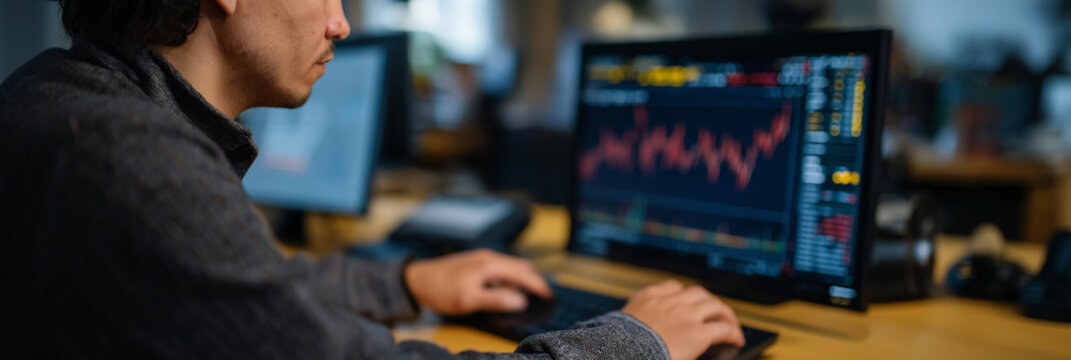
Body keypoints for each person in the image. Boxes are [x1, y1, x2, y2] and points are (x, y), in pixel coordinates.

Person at [0, 0, 745, 358]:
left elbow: (234, 296)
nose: (342, 22)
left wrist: (409, 284)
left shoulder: (60, 94)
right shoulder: (131, 158)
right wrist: (634, 341)